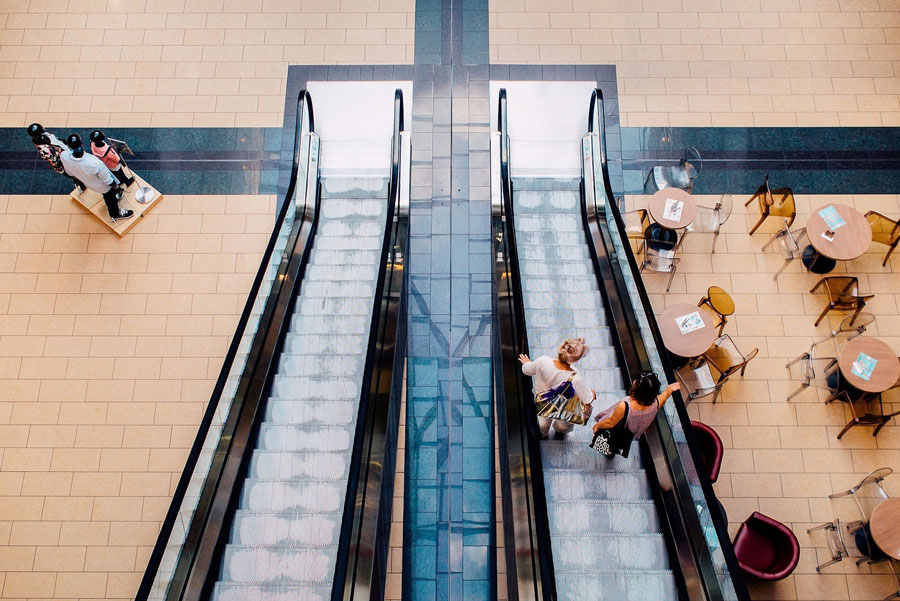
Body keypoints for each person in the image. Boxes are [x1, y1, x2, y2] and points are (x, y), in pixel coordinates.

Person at [519, 337, 596, 439]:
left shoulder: (543, 361)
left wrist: (526, 363)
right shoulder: (576, 377)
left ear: (562, 347)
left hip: (543, 403)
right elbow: (587, 399)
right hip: (564, 407)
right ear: (576, 359)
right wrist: (592, 393)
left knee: (542, 423)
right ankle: (560, 430)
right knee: (563, 423)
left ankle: (542, 434)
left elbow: (527, 370)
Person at [593, 371, 679, 451]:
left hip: (616, 429)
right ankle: (611, 451)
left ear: (638, 390)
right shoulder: (657, 403)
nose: (634, 381)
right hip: (629, 433)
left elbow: (610, 423)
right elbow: (665, 395)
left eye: (636, 382)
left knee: (608, 441)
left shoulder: (625, 406)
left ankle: (607, 450)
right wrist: (670, 389)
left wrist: (597, 426)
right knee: (618, 444)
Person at [60, 133, 133, 223]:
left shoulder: (63, 156)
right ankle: (115, 214)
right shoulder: (95, 163)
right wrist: (117, 188)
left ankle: (114, 197)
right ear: (81, 144)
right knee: (110, 199)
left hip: (89, 183)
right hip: (102, 186)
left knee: (108, 195)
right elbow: (108, 181)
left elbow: (69, 172)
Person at [26, 123, 86, 191]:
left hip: (65, 153)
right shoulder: (44, 149)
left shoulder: (44, 135)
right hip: (63, 163)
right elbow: (55, 161)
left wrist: (61, 142)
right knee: (73, 174)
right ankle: (80, 183)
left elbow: (54, 140)